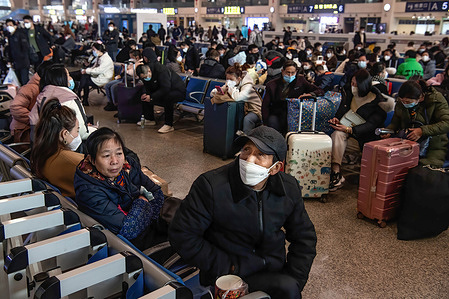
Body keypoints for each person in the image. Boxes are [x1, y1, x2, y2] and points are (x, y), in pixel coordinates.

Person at [169, 126, 317, 299]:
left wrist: (295, 279)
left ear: (276, 168)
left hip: (272, 269)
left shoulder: (288, 188)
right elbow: (182, 234)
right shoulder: (211, 186)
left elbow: (304, 238)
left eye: (260, 154)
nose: (249, 160)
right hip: (228, 275)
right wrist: (227, 266)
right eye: (246, 150)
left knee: (288, 288)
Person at [74, 128, 165, 250]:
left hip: (148, 227)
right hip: (132, 247)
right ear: (92, 160)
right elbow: (129, 230)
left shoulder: (127, 167)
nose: (115, 161)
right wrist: (142, 201)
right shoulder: (89, 190)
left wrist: (145, 215)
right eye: (106, 155)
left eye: (119, 153)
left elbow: (157, 192)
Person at [328, 69, 394, 191]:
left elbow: (371, 125)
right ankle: (336, 173)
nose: (353, 86)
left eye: (355, 84)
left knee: (338, 136)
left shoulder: (378, 102)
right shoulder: (349, 94)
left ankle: (337, 172)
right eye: (352, 83)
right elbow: (342, 112)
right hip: (347, 134)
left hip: (365, 139)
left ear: (363, 85)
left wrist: (349, 129)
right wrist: (337, 120)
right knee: (337, 134)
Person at [382, 80, 449, 167]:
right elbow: (395, 122)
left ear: (421, 97)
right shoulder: (401, 103)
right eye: (402, 101)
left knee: (421, 170)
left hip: (433, 145)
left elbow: (446, 123)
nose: (404, 104)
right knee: (390, 164)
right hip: (406, 142)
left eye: (408, 102)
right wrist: (389, 130)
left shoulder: (435, 101)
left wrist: (422, 131)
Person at [31, 99, 84, 198]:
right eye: (77, 130)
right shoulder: (77, 163)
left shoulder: (42, 153)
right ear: (65, 134)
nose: (77, 135)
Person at [30, 64, 93, 142]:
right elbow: (82, 133)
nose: (71, 78)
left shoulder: (42, 96)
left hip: (43, 145)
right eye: (68, 75)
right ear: (60, 79)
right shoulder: (69, 99)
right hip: (64, 147)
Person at [262, 60, 324, 135]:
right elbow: (265, 105)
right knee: (273, 124)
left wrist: (310, 94)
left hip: (295, 114)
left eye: (293, 73)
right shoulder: (272, 85)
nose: (290, 75)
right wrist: (265, 122)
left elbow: (320, 90)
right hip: (277, 112)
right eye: (288, 72)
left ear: (296, 72)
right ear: (282, 71)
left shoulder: (300, 81)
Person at [136, 60, 186, 133]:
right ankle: (149, 119)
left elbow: (166, 88)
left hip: (177, 91)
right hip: (164, 90)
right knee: (146, 96)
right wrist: (146, 94)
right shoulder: (147, 75)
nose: (146, 78)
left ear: (149, 71)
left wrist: (152, 96)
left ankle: (169, 125)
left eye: (146, 77)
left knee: (168, 97)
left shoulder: (161, 71)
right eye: (143, 78)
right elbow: (147, 86)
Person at [211, 64, 262, 133]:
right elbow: (212, 93)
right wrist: (222, 89)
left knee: (247, 119)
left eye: (231, 79)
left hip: (255, 110)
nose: (228, 81)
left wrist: (230, 89)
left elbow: (238, 97)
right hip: (243, 108)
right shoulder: (231, 83)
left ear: (238, 79)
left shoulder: (247, 86)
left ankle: (247, 139)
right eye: (227, 79)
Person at [10, 61, 52, 144]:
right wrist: (35, 120)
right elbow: (16, 108)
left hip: (35, 130)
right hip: (24, 131)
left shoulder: (48, 87)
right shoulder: (30, 88)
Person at [5, 19, 30, 85]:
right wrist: (10, 60)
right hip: (15, 63)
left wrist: (22, 57)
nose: (9, 27)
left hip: (23, 61)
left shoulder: (20, 34)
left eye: (10, 25)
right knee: (18, 81)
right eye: (7, 25)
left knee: (24, 80)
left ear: (15, 26)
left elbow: (25, 47)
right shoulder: (10, 36)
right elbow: (10, 49)